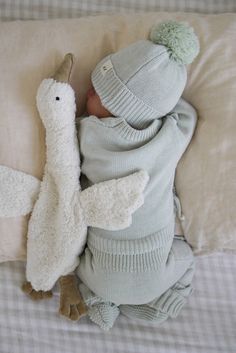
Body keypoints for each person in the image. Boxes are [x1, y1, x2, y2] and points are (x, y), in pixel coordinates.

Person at [75, 20, 200, 330]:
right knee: (187, 256)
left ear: (120, 110)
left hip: (98, 266)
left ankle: (98, 299)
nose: (89, 91)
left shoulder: (88, 134)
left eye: (98, 94)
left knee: (76, 262)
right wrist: (159, 105)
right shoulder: (168, 138)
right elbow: (188, 116)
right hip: (156, 268)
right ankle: (165, 301)